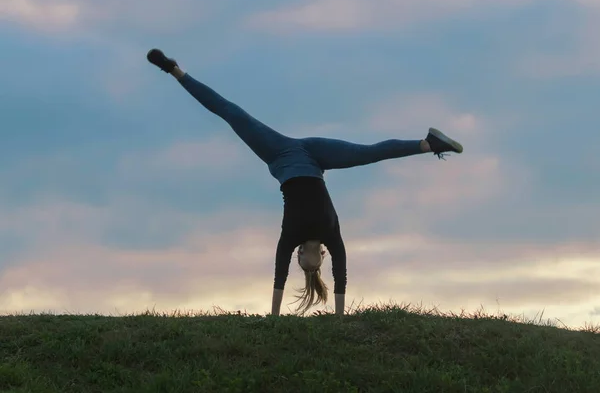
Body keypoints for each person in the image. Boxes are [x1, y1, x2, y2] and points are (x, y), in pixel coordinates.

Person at [146, 48, 464, 317]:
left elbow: (278, 276)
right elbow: (341, 277)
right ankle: (429, 144)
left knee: (232, 114)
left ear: (298, 255)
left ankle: (173, 70)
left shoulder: (291, 236)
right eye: (313, 265)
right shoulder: (331, 236)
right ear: (319, 257)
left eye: (302, 263)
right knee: (368, 154)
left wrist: (273, 318)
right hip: (315, 156)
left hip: (278, 153)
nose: (307, 262)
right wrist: (340, 320)